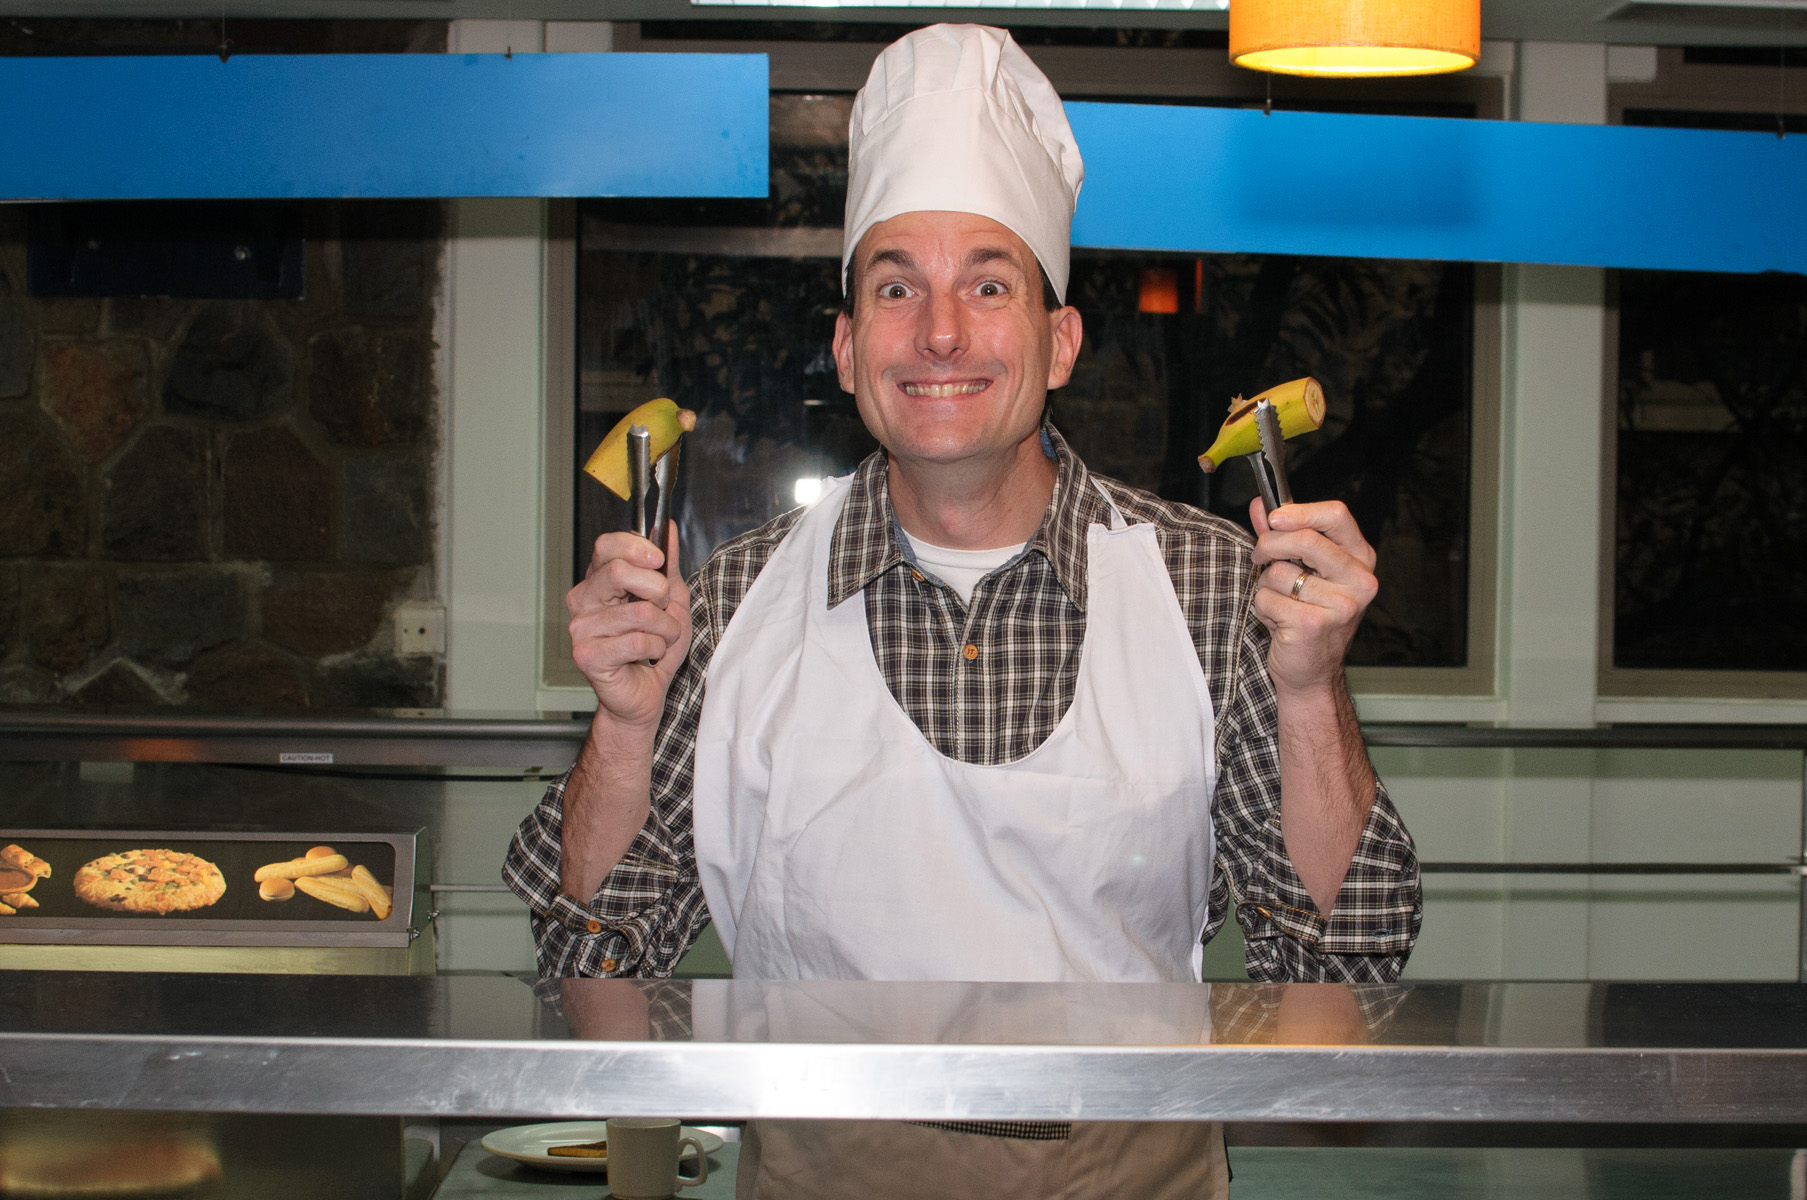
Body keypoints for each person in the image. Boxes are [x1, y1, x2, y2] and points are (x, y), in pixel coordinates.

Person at [507, 22, 1420, 1197]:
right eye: (897, 288)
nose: (940, 332)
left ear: (1060, 342)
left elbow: (1342, 964)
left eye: (988, 285)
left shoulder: (1207, 587)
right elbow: (593, 958)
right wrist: (624, 726)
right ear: (848, 349)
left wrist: (1312, 692)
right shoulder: (729, 604)